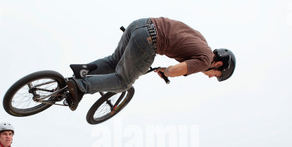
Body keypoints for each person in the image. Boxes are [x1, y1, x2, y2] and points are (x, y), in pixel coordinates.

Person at [66, 17, 236, 110]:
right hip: (149, 40)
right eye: (216, 75)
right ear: (218, 64)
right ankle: (80, 86)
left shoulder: (201, 41)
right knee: (123, 81)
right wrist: (166, 72)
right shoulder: (206, 61)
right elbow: (177, 70)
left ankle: (80, 72)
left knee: (114, 61)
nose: (210, 77)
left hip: (140, 25)